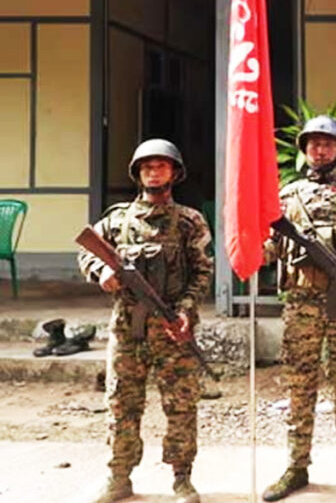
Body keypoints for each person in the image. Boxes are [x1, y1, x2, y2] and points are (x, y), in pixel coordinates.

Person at [78, 139, 213, 503]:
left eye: (161, 166)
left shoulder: (189, 221)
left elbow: (202, 272)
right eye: (147, 167)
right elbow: (85, 252)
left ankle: (182, 479)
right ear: (138, 174)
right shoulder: (117, 220)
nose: (154, 172)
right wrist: (101, 271)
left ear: (174, 173)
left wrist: (185, 311)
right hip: (128, 328)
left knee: (181, 405)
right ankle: (119, 477)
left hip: (173, 329)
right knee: (121, 403)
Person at [261, 116, 336, 502]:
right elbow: (272, 243)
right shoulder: (287, 195)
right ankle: (296, 467)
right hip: (301, 304)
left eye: (328, 143)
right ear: (304, 150)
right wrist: (253, 248)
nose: (320, 150)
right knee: (300, 387)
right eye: (313, 143)